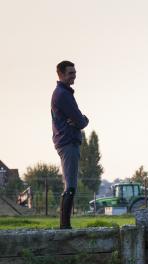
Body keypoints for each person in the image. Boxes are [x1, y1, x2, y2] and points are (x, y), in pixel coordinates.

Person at [51, 60, 89, 229]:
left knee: (70, 181)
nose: (74, 76)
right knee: (71, 183)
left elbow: (77, 120)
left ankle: (64, 225)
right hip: (68, 141)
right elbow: (80, 121)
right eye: (70, 73)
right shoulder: (63, 95)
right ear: (60, 74)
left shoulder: (64, 93)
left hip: (66, 140)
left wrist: (79, 120)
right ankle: (64, 226)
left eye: (75, 72)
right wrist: (84, 119)